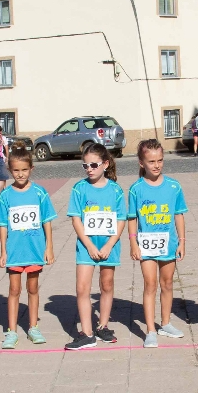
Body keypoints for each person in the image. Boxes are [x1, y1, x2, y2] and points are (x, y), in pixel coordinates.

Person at [126, 139, 187, 348]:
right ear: (141, 163)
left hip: (169, 244)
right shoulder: (136, 189)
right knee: (150, 284)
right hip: (146, 246)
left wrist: (182, 241)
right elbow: (132, 218)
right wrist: (133, 243)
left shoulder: (174, 186)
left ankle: (166, 323)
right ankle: (150, 330)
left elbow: (179, 214)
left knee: (167, 283)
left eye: (160, 160)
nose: (157, 165)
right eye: (151, 161)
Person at [64, 142, 124, 350]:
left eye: (94, 165)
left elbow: (121, 220)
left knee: (107, 285)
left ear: (105, 164)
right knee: (82, 288)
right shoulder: (79, 189)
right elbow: (76, 219)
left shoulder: (115, 190)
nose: (89, 169)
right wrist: (88, 245)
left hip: (108, 246)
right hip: (86, 246)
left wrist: (109, 244)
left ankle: (103, 326)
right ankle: (87, 333)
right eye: (85, 166)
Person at [0, 146, 56, 348]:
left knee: (32, 288)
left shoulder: (39, 193)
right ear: (10, 171)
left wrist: (49, 248)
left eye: (24, 170)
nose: (20, 174)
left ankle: (33, 327)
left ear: (31, 169)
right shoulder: (5, 196)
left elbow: (47, 221)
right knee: (14, 289)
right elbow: (3, 226)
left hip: (34, 249)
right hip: (14, 251)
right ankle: (12, 331)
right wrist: (3, 251)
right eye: (16, 170)